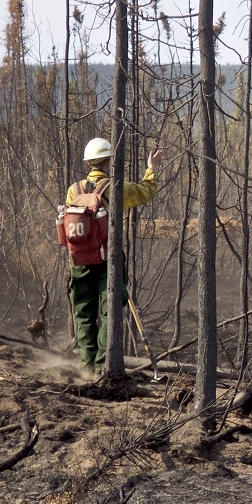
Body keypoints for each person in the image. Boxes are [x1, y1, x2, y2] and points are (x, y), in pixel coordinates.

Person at [63, 137, 161, 373]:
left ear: (88, 163)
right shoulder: (116, 187)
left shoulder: (73, 190)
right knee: (109, 313)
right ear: (109, 161)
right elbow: (145, 192)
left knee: (84, 313)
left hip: (79, 261)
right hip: (108, 261)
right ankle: (102, 367)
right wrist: (151, 170)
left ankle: (86, 366)